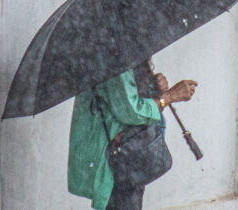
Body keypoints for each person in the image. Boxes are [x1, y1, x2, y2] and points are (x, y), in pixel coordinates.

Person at [68, 60, 197, 209]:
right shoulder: (113, 59)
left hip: (128, 154)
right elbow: (130, 111)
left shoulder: (121, 54)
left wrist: (152, 85)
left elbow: (126, 93)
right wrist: (167, 97)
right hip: (117, 158)